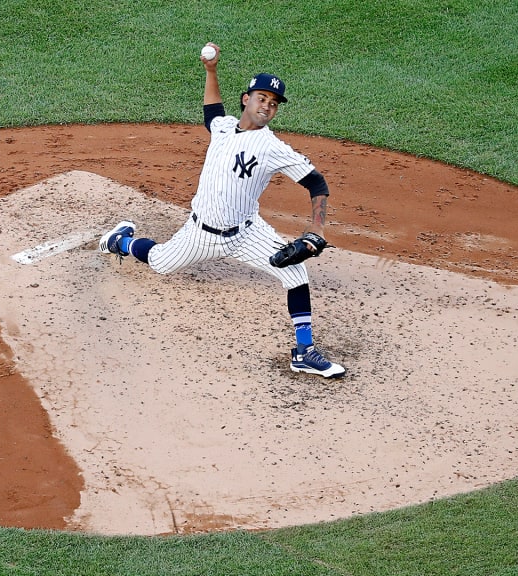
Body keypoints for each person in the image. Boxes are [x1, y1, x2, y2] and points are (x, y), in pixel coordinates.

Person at [98, 43, 346, 378]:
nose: (267, 106)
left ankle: (304, 352)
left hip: (247, 233)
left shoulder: (272, 147)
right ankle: (121, 241)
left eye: (274, 104)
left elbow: (317, 183)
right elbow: (211, 111)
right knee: (160, 262)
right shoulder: (224, 127)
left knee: (296, 273)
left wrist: (317, 229)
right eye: (262, 98)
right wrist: (211, 71)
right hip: (200, 233)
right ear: (246, 99)